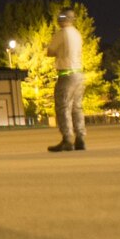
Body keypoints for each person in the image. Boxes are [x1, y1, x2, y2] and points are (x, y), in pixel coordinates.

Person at [48, 8, 87, 152]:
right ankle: (81, 138)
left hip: (66, 74)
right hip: (79, 73)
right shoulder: (77, 34)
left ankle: (67, 139)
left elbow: (50, 51)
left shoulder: (62, 33)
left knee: (63, 106)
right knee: (77, 107)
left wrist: (57, 52)